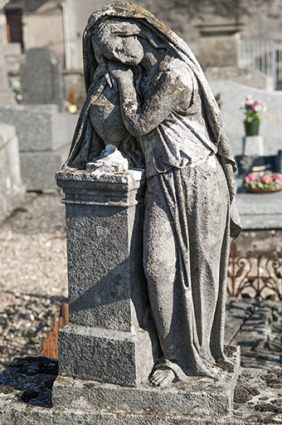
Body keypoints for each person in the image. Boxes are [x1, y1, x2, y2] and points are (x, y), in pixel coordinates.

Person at [64, 2, 241, 387]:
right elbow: (118, 129)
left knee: (201, 271)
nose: (118, 61)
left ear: (138, 36)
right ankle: (173, 356)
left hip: (199, 182)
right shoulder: (144, 76)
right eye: (108, 57)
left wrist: (123, 85)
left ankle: (195, 357)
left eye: (118, 51)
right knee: (158, 268)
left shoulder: (175, 75)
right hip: (163, 182)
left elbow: (141, 123)